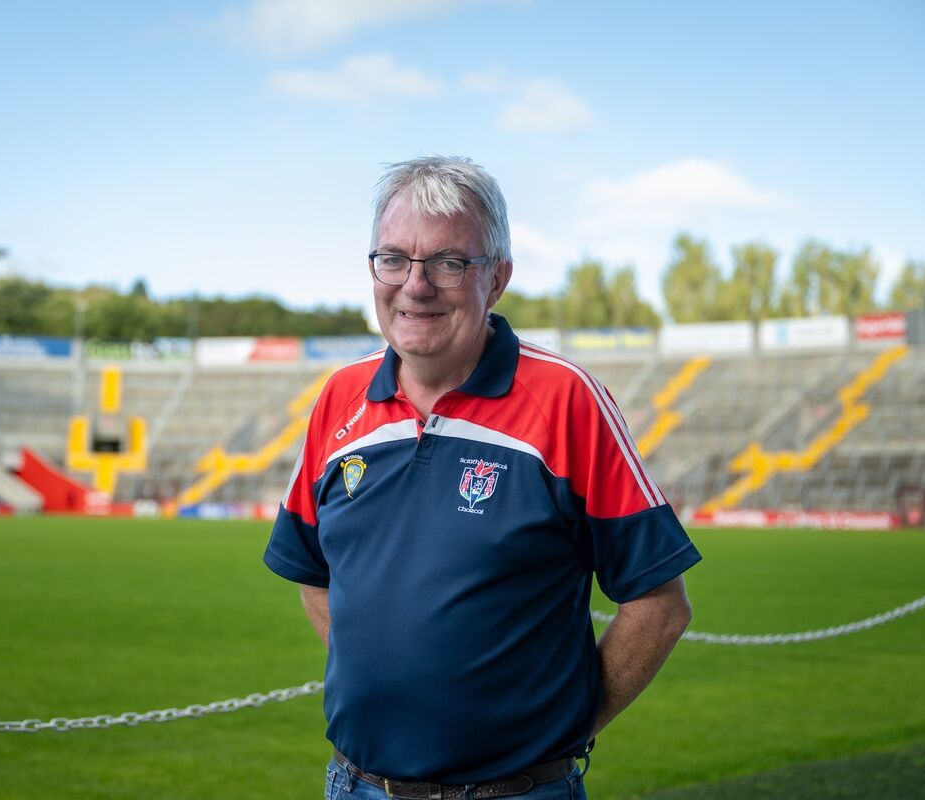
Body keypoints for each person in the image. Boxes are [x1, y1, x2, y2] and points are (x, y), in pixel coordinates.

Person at [264, 156, 701, 799]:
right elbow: (313, 572)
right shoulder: (338, 398)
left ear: (496, 278)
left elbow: (660, 605)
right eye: (394, 259)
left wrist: (564, 733)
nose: (416, 285)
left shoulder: (567, 399)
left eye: (449, 262)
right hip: (354, 785)